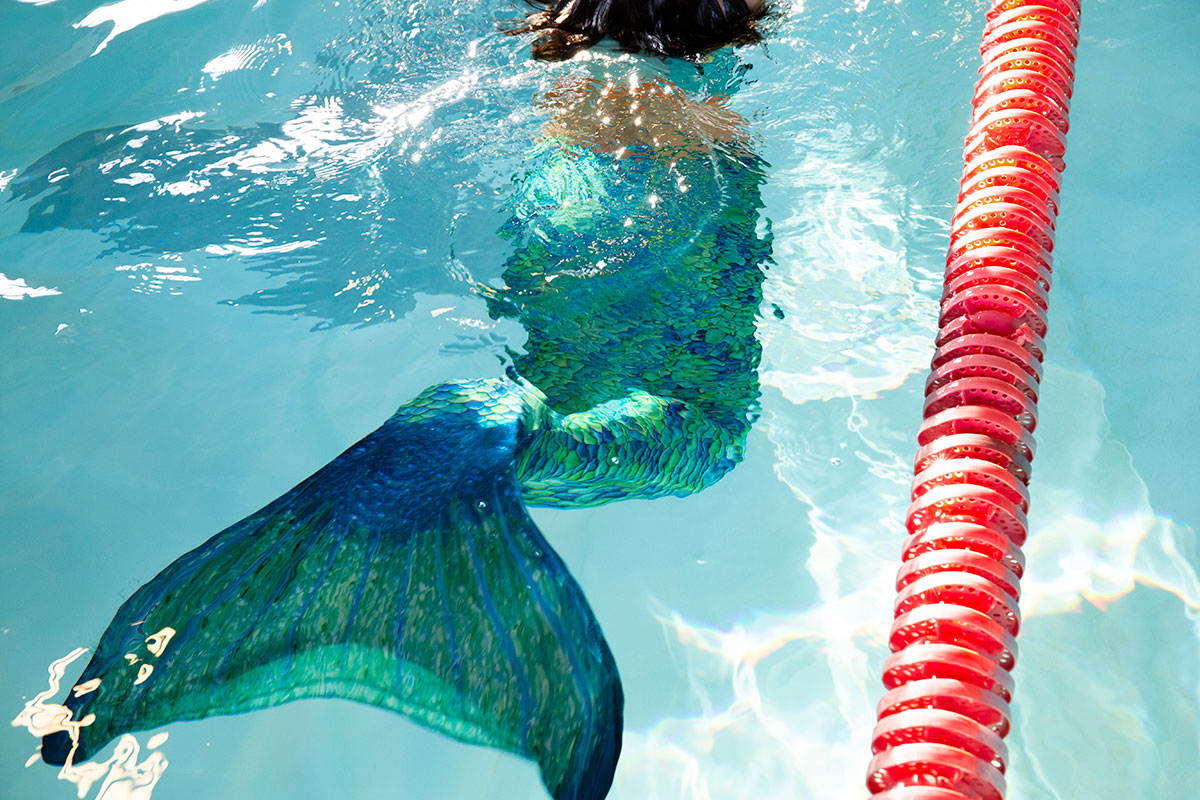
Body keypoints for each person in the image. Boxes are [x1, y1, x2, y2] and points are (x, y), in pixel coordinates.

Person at [43, 6, 771, 800]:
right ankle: (499, 434)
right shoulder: (703, 102)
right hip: (675, 169)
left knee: (561, 387)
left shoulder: (560, 61)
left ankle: (490, 430)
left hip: (564, 170)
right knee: (703, 437)